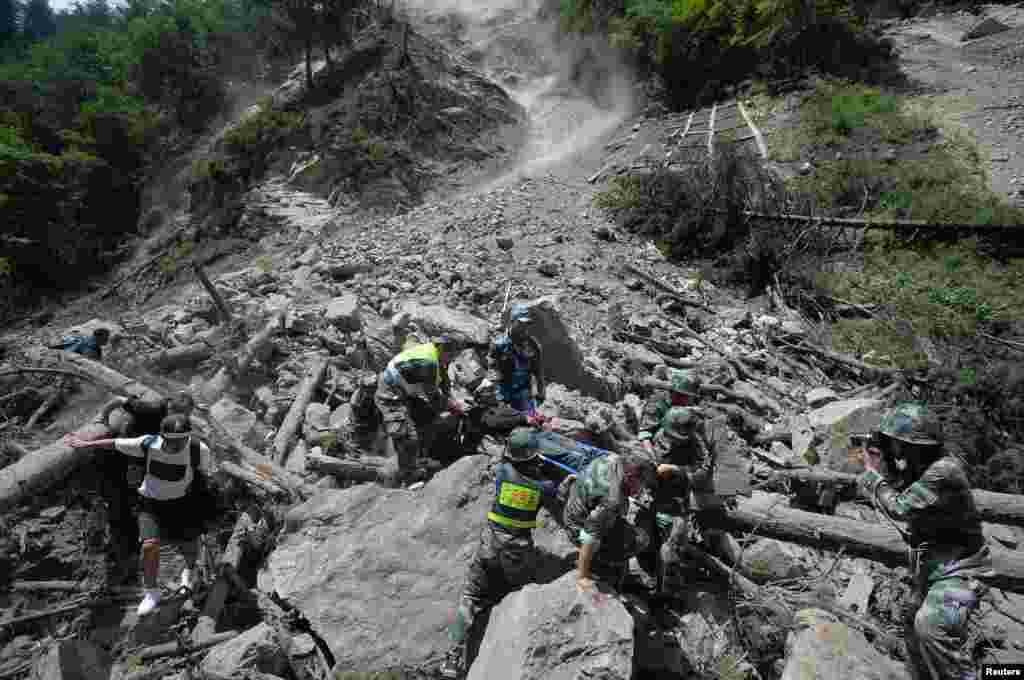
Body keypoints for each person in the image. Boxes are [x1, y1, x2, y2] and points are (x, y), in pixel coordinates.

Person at [857, 402, 992, 680]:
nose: (891, 446)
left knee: (931, 627)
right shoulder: (923, 466)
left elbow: (900, 507)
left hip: (961, 571)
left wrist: (873, 475)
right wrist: (884, 467)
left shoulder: (943, 471)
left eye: (893, 442)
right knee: (912, 624)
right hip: (933, 569)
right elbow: (902, 486)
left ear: (909, 444)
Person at [64, 414, 217, 616]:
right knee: (149, 545)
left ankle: (188, 573)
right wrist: (84, 444)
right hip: (150, 503)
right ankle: (152, 592)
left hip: (182, 504)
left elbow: (204, 474)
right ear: (163, 436)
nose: (177, 445)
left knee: (188, 545)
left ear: (188, 436)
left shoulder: (198, 450)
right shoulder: (149, 444)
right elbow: (115, 443)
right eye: (172, 440)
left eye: (182, 440)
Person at [439, 436, 560, 679]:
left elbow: (507, 460)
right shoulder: (543, 487)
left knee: (469, 597)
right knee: (517, 593)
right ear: (534, 457)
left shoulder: (503, 471)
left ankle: (452, 658)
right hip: (518, 551)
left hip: (490, 543)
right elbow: (555, 494)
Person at [91, 390, 197, 583]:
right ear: (172, 408)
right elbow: (117, 400)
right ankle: (121, 553)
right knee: (121, 504)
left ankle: (133, 547)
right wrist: (102, 419)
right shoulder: (151, 409)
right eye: (183, 415)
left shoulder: (172, 420)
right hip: (118, 458)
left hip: (139, 460)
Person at [644, 406, 718, 597]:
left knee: (674, 542)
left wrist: (677, 470)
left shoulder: (695, 442)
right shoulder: (661, 436)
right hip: (653, 496)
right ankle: (652, 577)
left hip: (678, 498)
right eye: (670, 435)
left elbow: (703, 471)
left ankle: (667, 589)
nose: (671, 439)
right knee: (649, 541)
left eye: (676, 437)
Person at [374, 336, 467, 483]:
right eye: (451, 355)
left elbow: (443, 381)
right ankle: (408, 475)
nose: (451, 359)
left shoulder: (436, 355)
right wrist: (454, 407)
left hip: (407, 390)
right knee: (406, 434)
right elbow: (433, 396)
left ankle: (419, 458)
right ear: (442, 349)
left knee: (427, 417)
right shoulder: (428, 361)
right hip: (391, 392)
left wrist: (453, 400)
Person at [562, 453, 657, 593]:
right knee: (639, 539)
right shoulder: (612, 500)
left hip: (575, 507)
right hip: (578, 526)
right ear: (630, 477)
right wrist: (583, 576)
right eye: (642, 482)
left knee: (620, 523)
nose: (643, 488)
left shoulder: (612, 459)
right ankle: (602, 565)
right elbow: (590, 537)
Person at [488, 304, 545, 415]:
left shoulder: (533, 345)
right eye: (521, 323)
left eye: (527, 324)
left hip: (523, 393)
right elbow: (491, 370)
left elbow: (538, 371)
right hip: (502, 393)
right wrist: (493, 395)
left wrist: (541, 393)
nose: (524, 327)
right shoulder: (499, 344)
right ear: (512, 321)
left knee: (531, 421)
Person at [638, 369, 701, 450]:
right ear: (672, 392)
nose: (686, 400)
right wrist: (651, 456)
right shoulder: (656, 404)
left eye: (688, 397)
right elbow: (645, 434)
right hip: (661, 442)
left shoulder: (686, 403)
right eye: (682, 396)